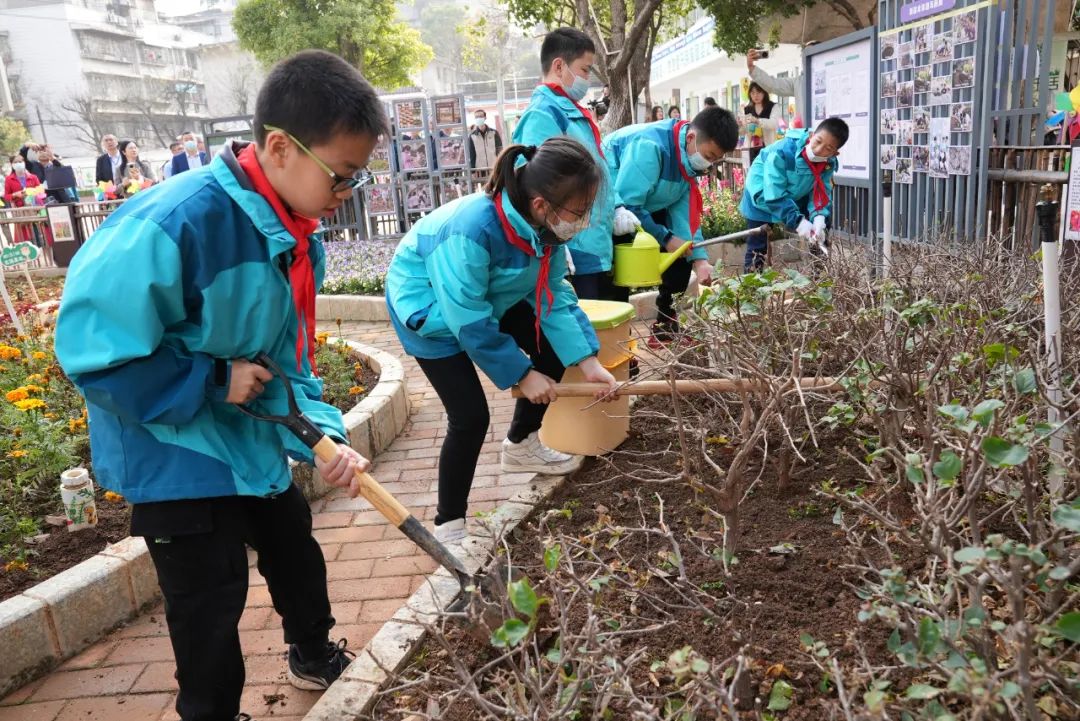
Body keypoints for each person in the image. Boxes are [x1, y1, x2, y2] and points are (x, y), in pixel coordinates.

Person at [54, 49, 387, 721]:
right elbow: (92, 358)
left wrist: (322, 434)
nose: (346, 193)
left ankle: (312, 649)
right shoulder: (174, 224)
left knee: (296, 552)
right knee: (207, 605)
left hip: (246, 439)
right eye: (343, 175)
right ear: (279, 148)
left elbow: (288, 359)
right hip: (171, 454)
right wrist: (212, 379)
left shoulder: (294, 235)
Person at [385, 137, 618, 548]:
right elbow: (468, 320)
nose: (582, 221)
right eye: (578, 212)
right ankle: (449, 524)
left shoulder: (544, 230)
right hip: (430, 310)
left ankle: (522, 443)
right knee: (470, 417)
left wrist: (589, 362)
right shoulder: (472, 230)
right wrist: (521, 373)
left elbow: (553, 296)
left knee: (551, 347)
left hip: (487, 296)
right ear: (542, 204)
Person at [513, 27, 635, 301]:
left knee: (609, 325)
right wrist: (550, 239)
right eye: (585, 69)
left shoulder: (571, 112)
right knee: (589, 328)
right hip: (572, 246)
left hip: (594, 241)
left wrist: (616, 207)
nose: (588, 78)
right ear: (559, 66)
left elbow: (598, 168)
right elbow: (535, 185)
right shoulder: (543, 116)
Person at [603, 106, 740, 346]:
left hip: (647, 201)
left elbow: (685, 219)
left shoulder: (688, 162)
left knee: (681, 252)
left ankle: (665, 324)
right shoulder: (650, 147)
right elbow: (630, 206)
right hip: (616, 204)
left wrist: (700, 260)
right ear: (691, 138)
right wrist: (665, 238)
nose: (708, 164)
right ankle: (618, 341)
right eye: (708, 156)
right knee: (620, 266)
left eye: (715, 159)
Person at [738, 117, 849, 272]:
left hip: (795, 194)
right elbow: (774, 195)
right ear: (811, 136)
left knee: (820, 231)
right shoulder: (783, 151)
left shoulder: (828, 162)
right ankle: (750, 291)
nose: (819, 149)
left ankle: (820, 280)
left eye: (828, 148)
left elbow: (821, 192)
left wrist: (819, 218)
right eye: (818, 141)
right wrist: (799, 222)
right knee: (758, 246)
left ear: (834, 152)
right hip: (762, 195)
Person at [746, 45, 816, 125]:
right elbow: (773, 84)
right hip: (806, 134)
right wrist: (751, 68)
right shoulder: (799, 82)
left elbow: (773, 123)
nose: (807, 59)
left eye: (811, 53)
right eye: (804, 55)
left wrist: (758, 121)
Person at [4, 153, 44, 243]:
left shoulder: (33, 177)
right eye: (16, 162)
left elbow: (41, 191)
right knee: (25, 240)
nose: (19, 163)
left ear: (24, 162)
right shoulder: (9, 179)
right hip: (20, 212)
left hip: (34, 210)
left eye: (21, 161)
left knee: (40, 237)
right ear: (12, 164)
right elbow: (6, 196)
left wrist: (33, 192)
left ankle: (44, 253)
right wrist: (15, 195)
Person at [742, 82, 781, 166]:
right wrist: (740, 125)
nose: (755, 95)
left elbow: (774, 124)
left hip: (768, 148)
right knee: (752, 174)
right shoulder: (747, 109)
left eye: (758, 92)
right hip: (751, 149)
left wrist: (757, 121)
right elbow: (743, 131)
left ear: (764, 92)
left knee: (768, 173)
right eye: (752, 93)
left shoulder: (773, 107)